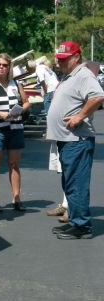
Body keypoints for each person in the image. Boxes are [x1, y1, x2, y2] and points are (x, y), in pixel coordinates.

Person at [47, 41, 104, 239]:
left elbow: (97, 96)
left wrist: (79, 116)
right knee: (70, 182)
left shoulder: (83, 74)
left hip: (76, 139)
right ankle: (75, 220)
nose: (59, 63)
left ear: (76, 57)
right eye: (59, 59)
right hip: (68, 139)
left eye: (64, 60)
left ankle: (81, 226)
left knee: (77, 183)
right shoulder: (71, 75)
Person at [0, 53, 31, 212]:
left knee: (14, 163)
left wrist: (20, 110)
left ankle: (17, 198)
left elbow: (26, 103)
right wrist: (0, 114)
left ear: (9, 67)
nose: (1, 67)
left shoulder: (16, 84)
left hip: (15, 128)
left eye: (5, 65)